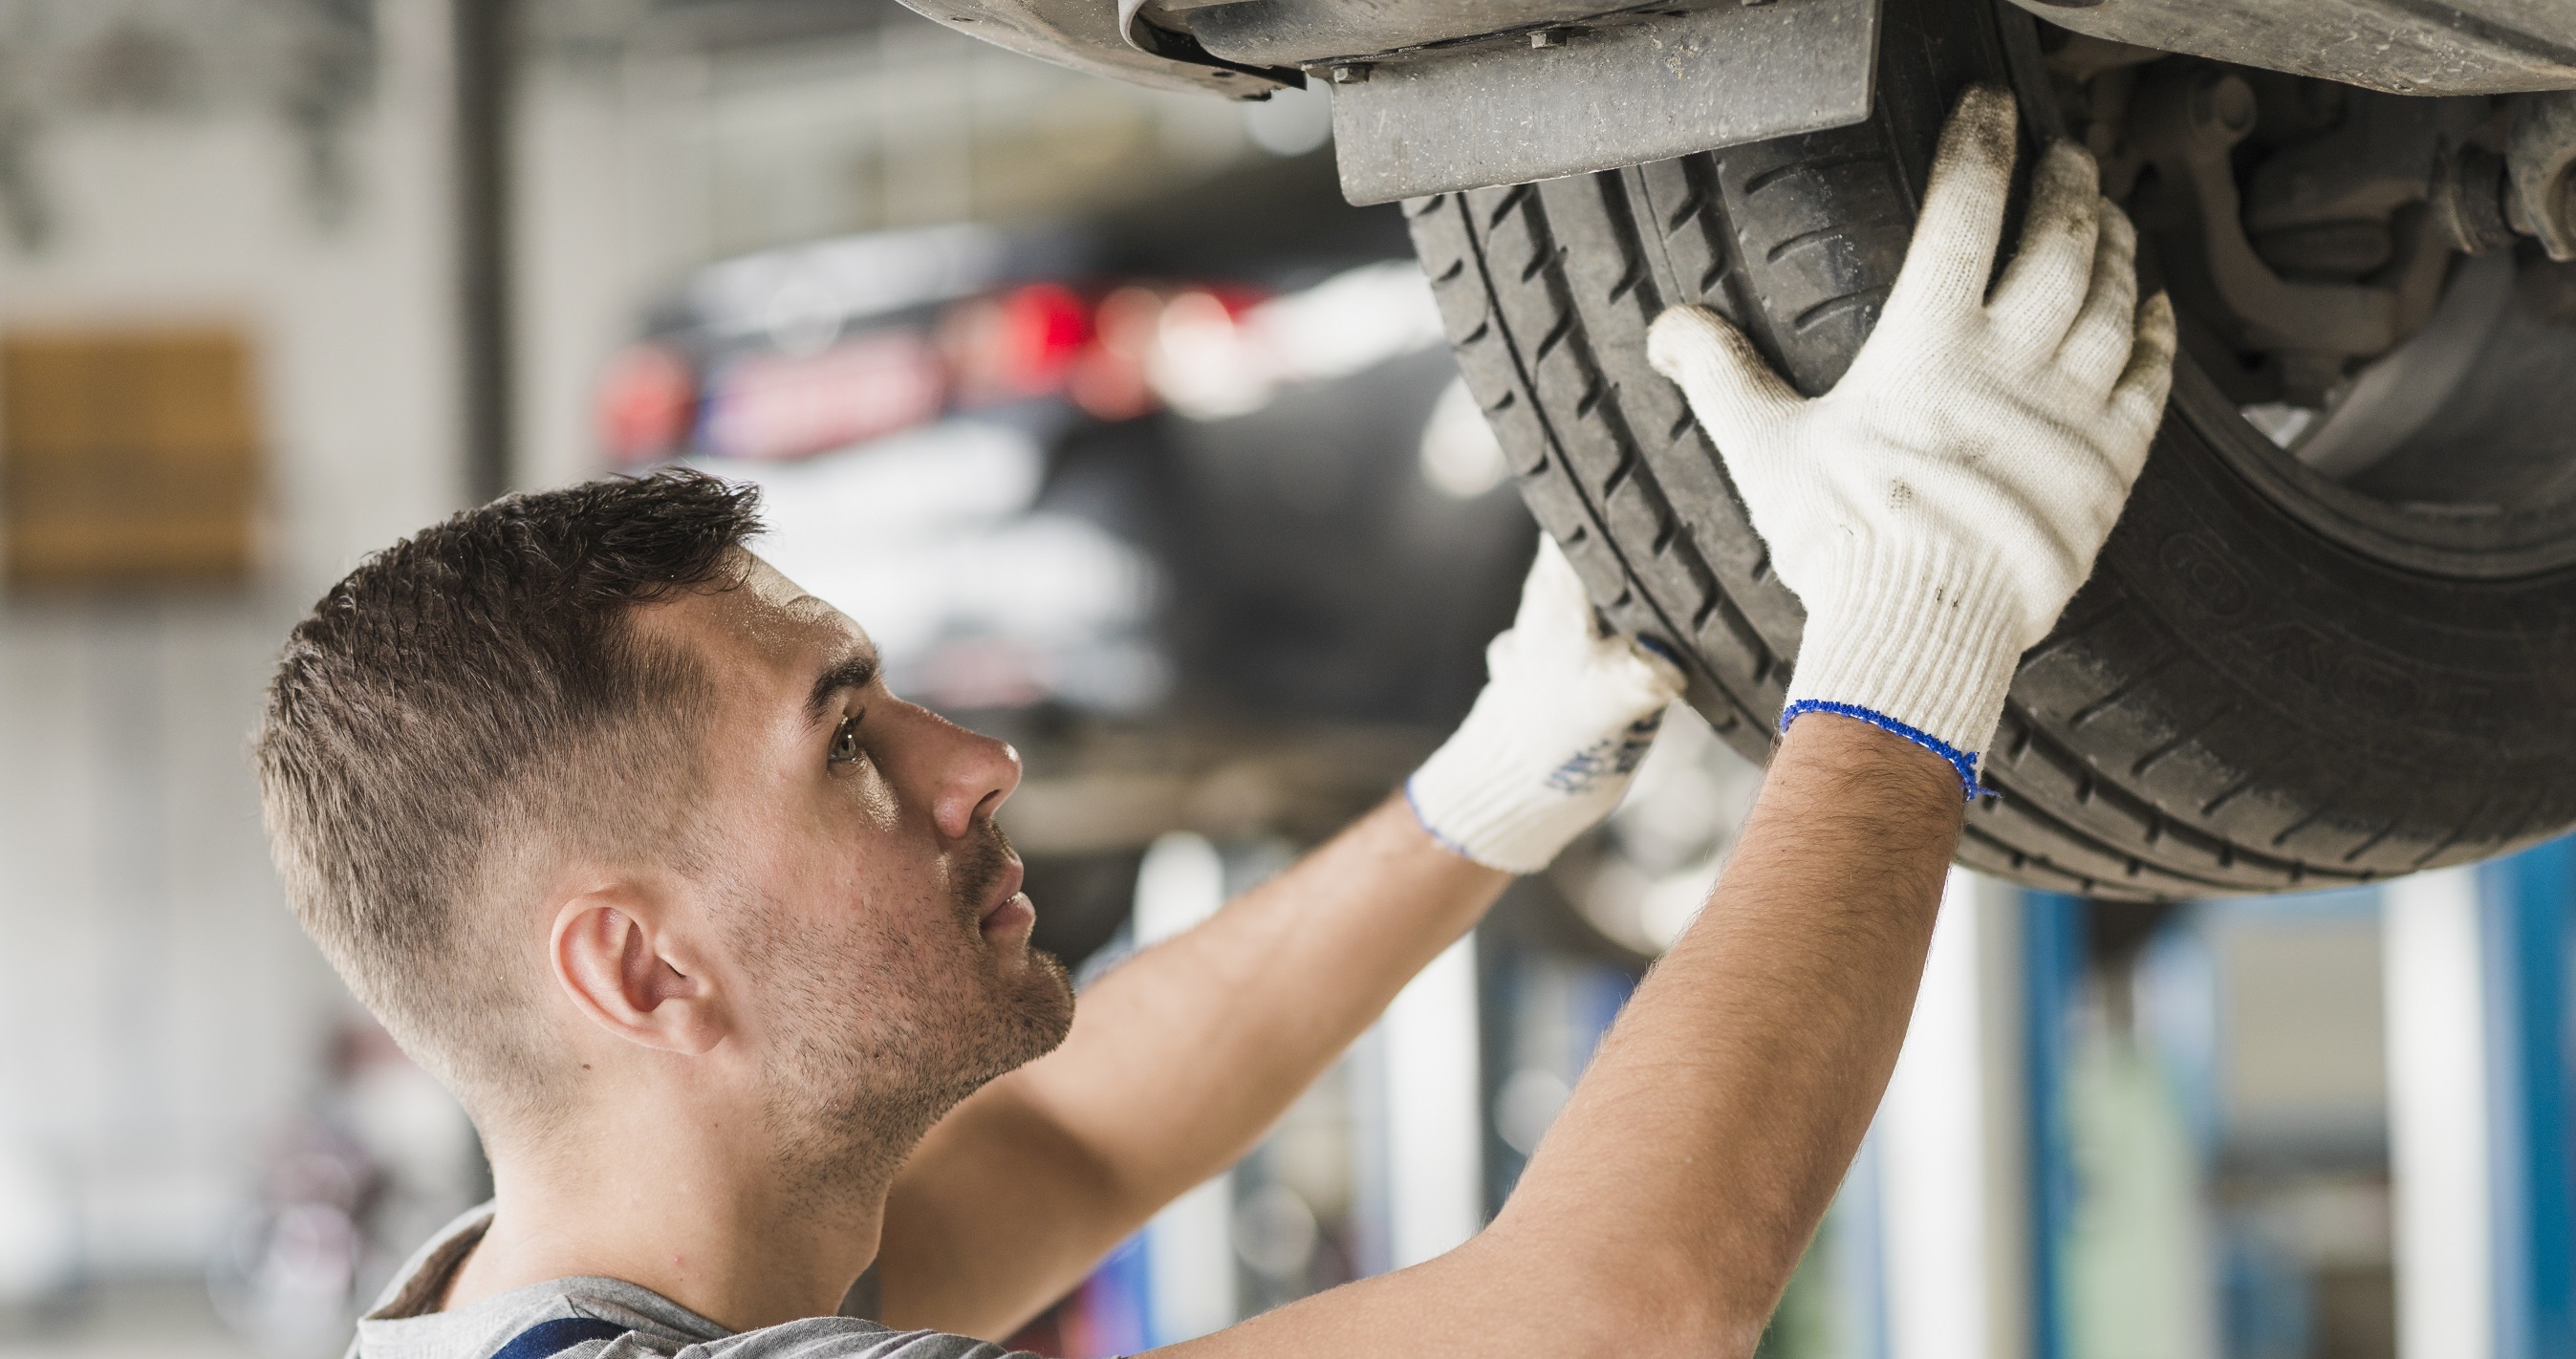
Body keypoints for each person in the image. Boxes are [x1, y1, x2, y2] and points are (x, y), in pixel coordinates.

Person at [253, 86, 2172, 1359]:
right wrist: (1915, 640)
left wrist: (1486, 792)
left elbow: (1067, 1149)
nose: (973, 761)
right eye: (844, 745)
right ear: (638, 969)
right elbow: (1613, 1311)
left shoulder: (566, 1309)